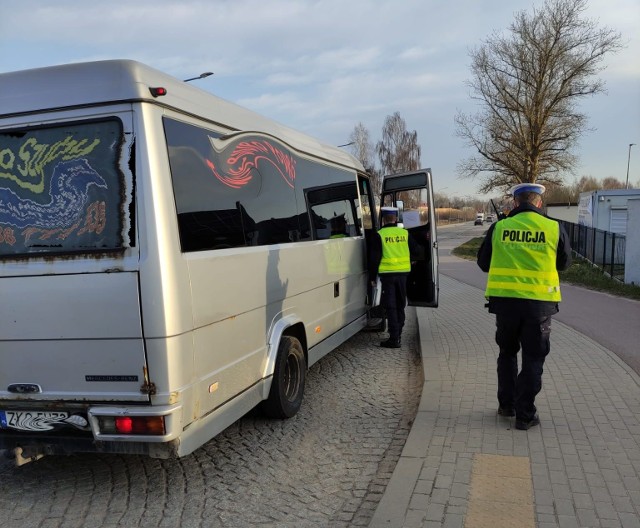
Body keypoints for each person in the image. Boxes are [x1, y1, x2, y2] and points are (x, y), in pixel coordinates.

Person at [477, 183, 572, 430]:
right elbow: (564, 264)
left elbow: (483, 264)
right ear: (539, 202)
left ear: (516, 202)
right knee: (533, 358)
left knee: (507, 354)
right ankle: (525, 414)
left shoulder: (500, 227)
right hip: (538, 307)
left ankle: (507, 406)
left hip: (505, 305)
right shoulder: (553, 228)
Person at [369, 206, 417, 348]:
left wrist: (372, 277)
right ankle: (398, 333)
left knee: (391, 306)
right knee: (400, 305)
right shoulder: (405, 233)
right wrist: (412, 259)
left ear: (384, 219)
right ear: (396, 218)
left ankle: (394, 338)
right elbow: (416, 249)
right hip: (403, 275)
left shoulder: (379, 235)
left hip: (388, 276)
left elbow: (374, 259)